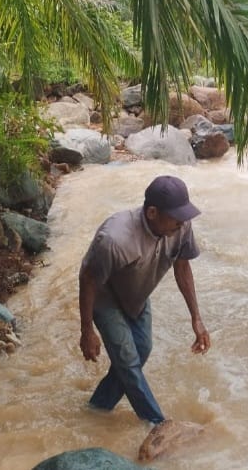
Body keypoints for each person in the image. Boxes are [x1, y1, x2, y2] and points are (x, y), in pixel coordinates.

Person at [78, 175, 211, 429]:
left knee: (142, 350)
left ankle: (97, 409)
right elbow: (88, 280)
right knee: (128, 360)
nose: (183, 222)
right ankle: (158, 425)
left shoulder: (180, 227)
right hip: (105, 297)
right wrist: (87, 330)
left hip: (137, 294)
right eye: (177, 217)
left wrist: (196, 318)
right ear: (152, 213)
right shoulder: (114, 239)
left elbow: (182, 268)